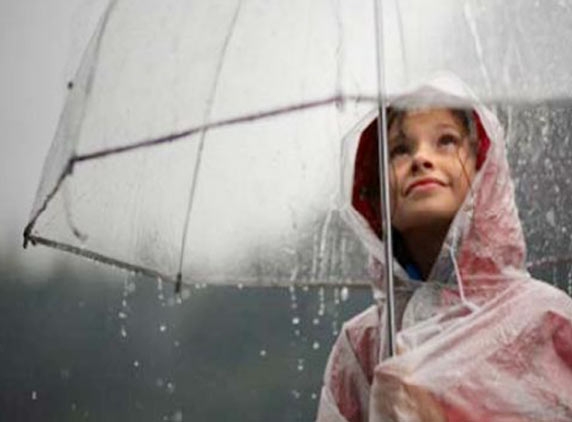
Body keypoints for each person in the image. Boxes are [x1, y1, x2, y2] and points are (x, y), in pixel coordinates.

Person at [316, 75, 572, 421]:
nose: (421, 158)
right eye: (399, 149)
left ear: (485, 170)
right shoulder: (362, 346)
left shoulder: (548, 321)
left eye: (446, 141)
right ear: (375, 194)